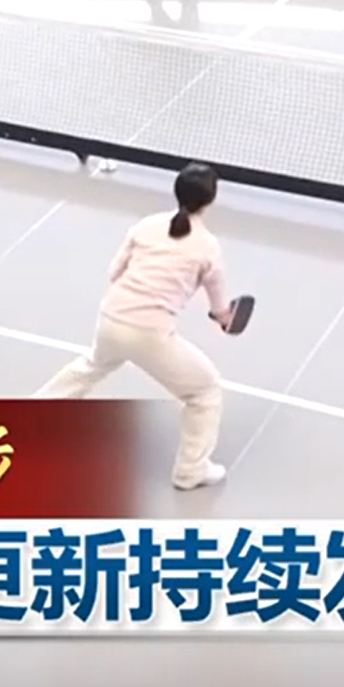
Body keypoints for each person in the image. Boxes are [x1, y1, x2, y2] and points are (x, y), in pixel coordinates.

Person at [35, 163, 235, 491]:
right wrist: (225, 318)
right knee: (205, 391)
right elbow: (220, 309)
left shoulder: (147, 225)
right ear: (210, 200)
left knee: (92, 365)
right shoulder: (208, 247)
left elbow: (115, 273)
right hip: (150, 334)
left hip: (111, 318)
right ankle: (191, 470)